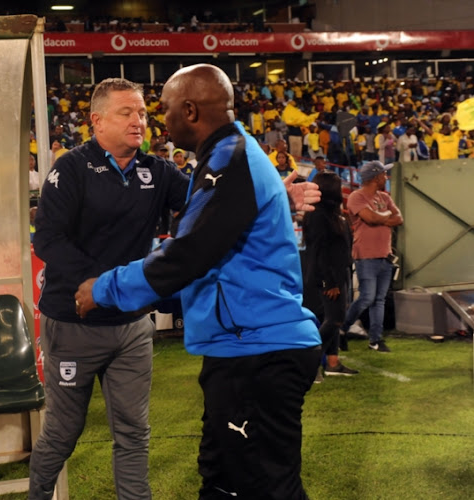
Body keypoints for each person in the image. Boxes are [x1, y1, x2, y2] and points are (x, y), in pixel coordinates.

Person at [74, 64, 322, 499]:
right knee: (222, 481)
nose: (158, 120)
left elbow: (190, 252)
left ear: (189, 110)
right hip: (240, 349)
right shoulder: (228, 156)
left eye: (164, 109)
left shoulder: (231, 158)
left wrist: (104, 288)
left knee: (263, 487)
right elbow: (223, 228)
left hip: (258, 351)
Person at [28, 78, 191, 500]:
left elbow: (206, 202)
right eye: (127, 113)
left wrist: (272, 193)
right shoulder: (71, 167)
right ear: (96, 121)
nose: (139, 121)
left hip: (132, 325)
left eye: (142, 113)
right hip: (73, 322)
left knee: (134, 432)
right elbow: (47, 239)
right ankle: (39, 494)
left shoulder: (157, 171)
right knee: (63, 432)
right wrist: (98, 282)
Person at [339, 162, 403, 352]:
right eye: (384, 174)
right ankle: (342, 329)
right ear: (375, 177)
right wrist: (385, 216)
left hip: (385, 254)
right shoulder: (356, 196)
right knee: (367, 297)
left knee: (379, 299)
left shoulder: (383, 196)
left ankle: (375, 340)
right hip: (365, 254)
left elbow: (399, 218)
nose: (386, 177)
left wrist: (380, 216)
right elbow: (370, 218)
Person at [302, 172, 359, 380]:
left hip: (338, 273)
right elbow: (319, 251)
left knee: (333, 319)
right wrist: (329, 281)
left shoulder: (332, 214)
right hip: (327, 276)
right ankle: (307, 362)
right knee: (335, 320)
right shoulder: (318, 215)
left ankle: (332, 363)